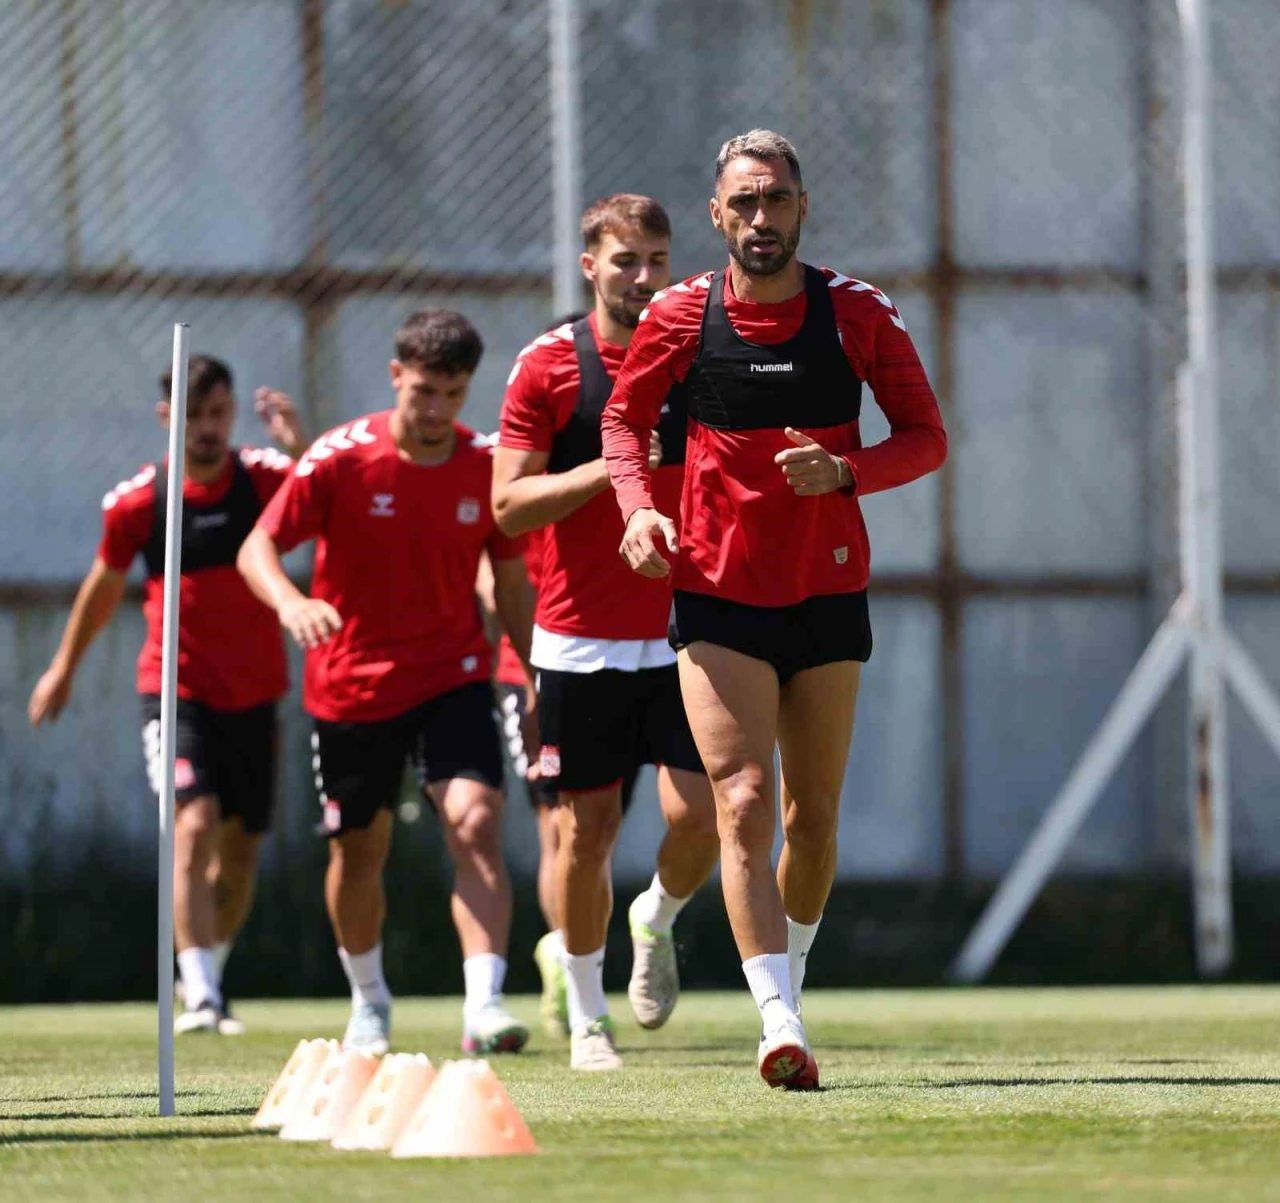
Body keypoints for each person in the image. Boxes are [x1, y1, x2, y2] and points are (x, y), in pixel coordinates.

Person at [601, 130, 948, 1089]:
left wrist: (846, 470)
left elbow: (925, 436)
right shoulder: (679, 313)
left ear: (803, 208)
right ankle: (778, 1019)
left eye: (778, 199)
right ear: (717, 215)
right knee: (744, 798)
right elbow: (625, 420)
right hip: (717, 587)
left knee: (814, 817)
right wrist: (637, 508)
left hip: (826, 589)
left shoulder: (857, 313)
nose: (762, 217)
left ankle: (757, 961)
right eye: (745, 202)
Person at [237, 309, 535, 1057]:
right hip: (351, 689)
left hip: (452, 676)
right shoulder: (338, 458)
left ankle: (485, 1006)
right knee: (358, 852)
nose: (436, 410)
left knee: (476, 822)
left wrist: (536, 675)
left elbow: (510, 584)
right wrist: (292, 602)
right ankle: (369, 999)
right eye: (424, 391)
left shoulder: (484, 465)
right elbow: (257, 549)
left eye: (453, 394)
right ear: (396, 376)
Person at [492, 195, 720, 1072]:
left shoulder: (702, 355)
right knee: (585, 834)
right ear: (590, 265)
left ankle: (655, 916)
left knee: (706, 816)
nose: (644, 276)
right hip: (580, 638)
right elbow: (509, 506)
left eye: (657, 258)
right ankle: (589, 1015)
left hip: (687, 629)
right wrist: (608, 468)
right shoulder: (549, 365)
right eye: (626, 260)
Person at [28, 356, 306, 1035]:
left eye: (218, 413)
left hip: (255, 692)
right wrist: (63, 666)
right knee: (193, 824)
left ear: (232, 414)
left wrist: (301, 444)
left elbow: (330, 497)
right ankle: (203, 995)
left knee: (241, 852)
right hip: (177, 691)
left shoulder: (264, 479)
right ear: (167, 417)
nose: (207, 427)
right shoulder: (139, 503)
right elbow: (102, 588)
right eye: (192, 415)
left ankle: (208, 970)